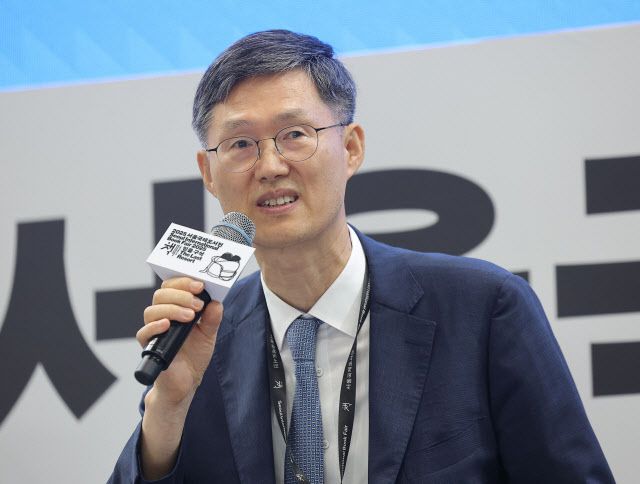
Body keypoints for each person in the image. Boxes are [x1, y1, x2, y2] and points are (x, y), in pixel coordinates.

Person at [109, 30, 614, 483]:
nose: (270, 166)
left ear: (351, 148)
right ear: (208, 173)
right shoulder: (198, 339)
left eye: (294, 135)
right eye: (240, 144)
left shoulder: (483, 307)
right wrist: (168, 406)